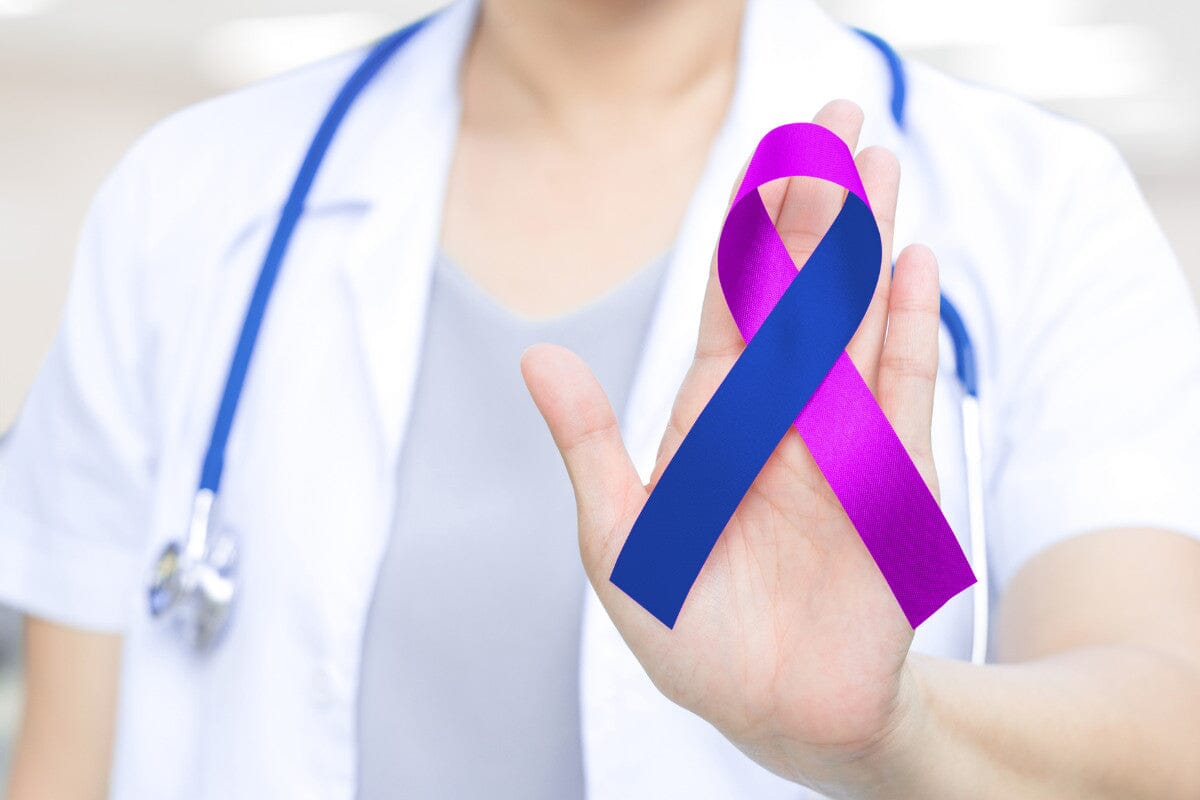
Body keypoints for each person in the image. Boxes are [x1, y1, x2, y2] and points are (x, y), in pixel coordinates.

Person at [2, 0, 1199, 797]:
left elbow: (1162, 718)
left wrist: (901, 728)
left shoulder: (1038, 206)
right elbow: (64, 762)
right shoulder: (188, 204)